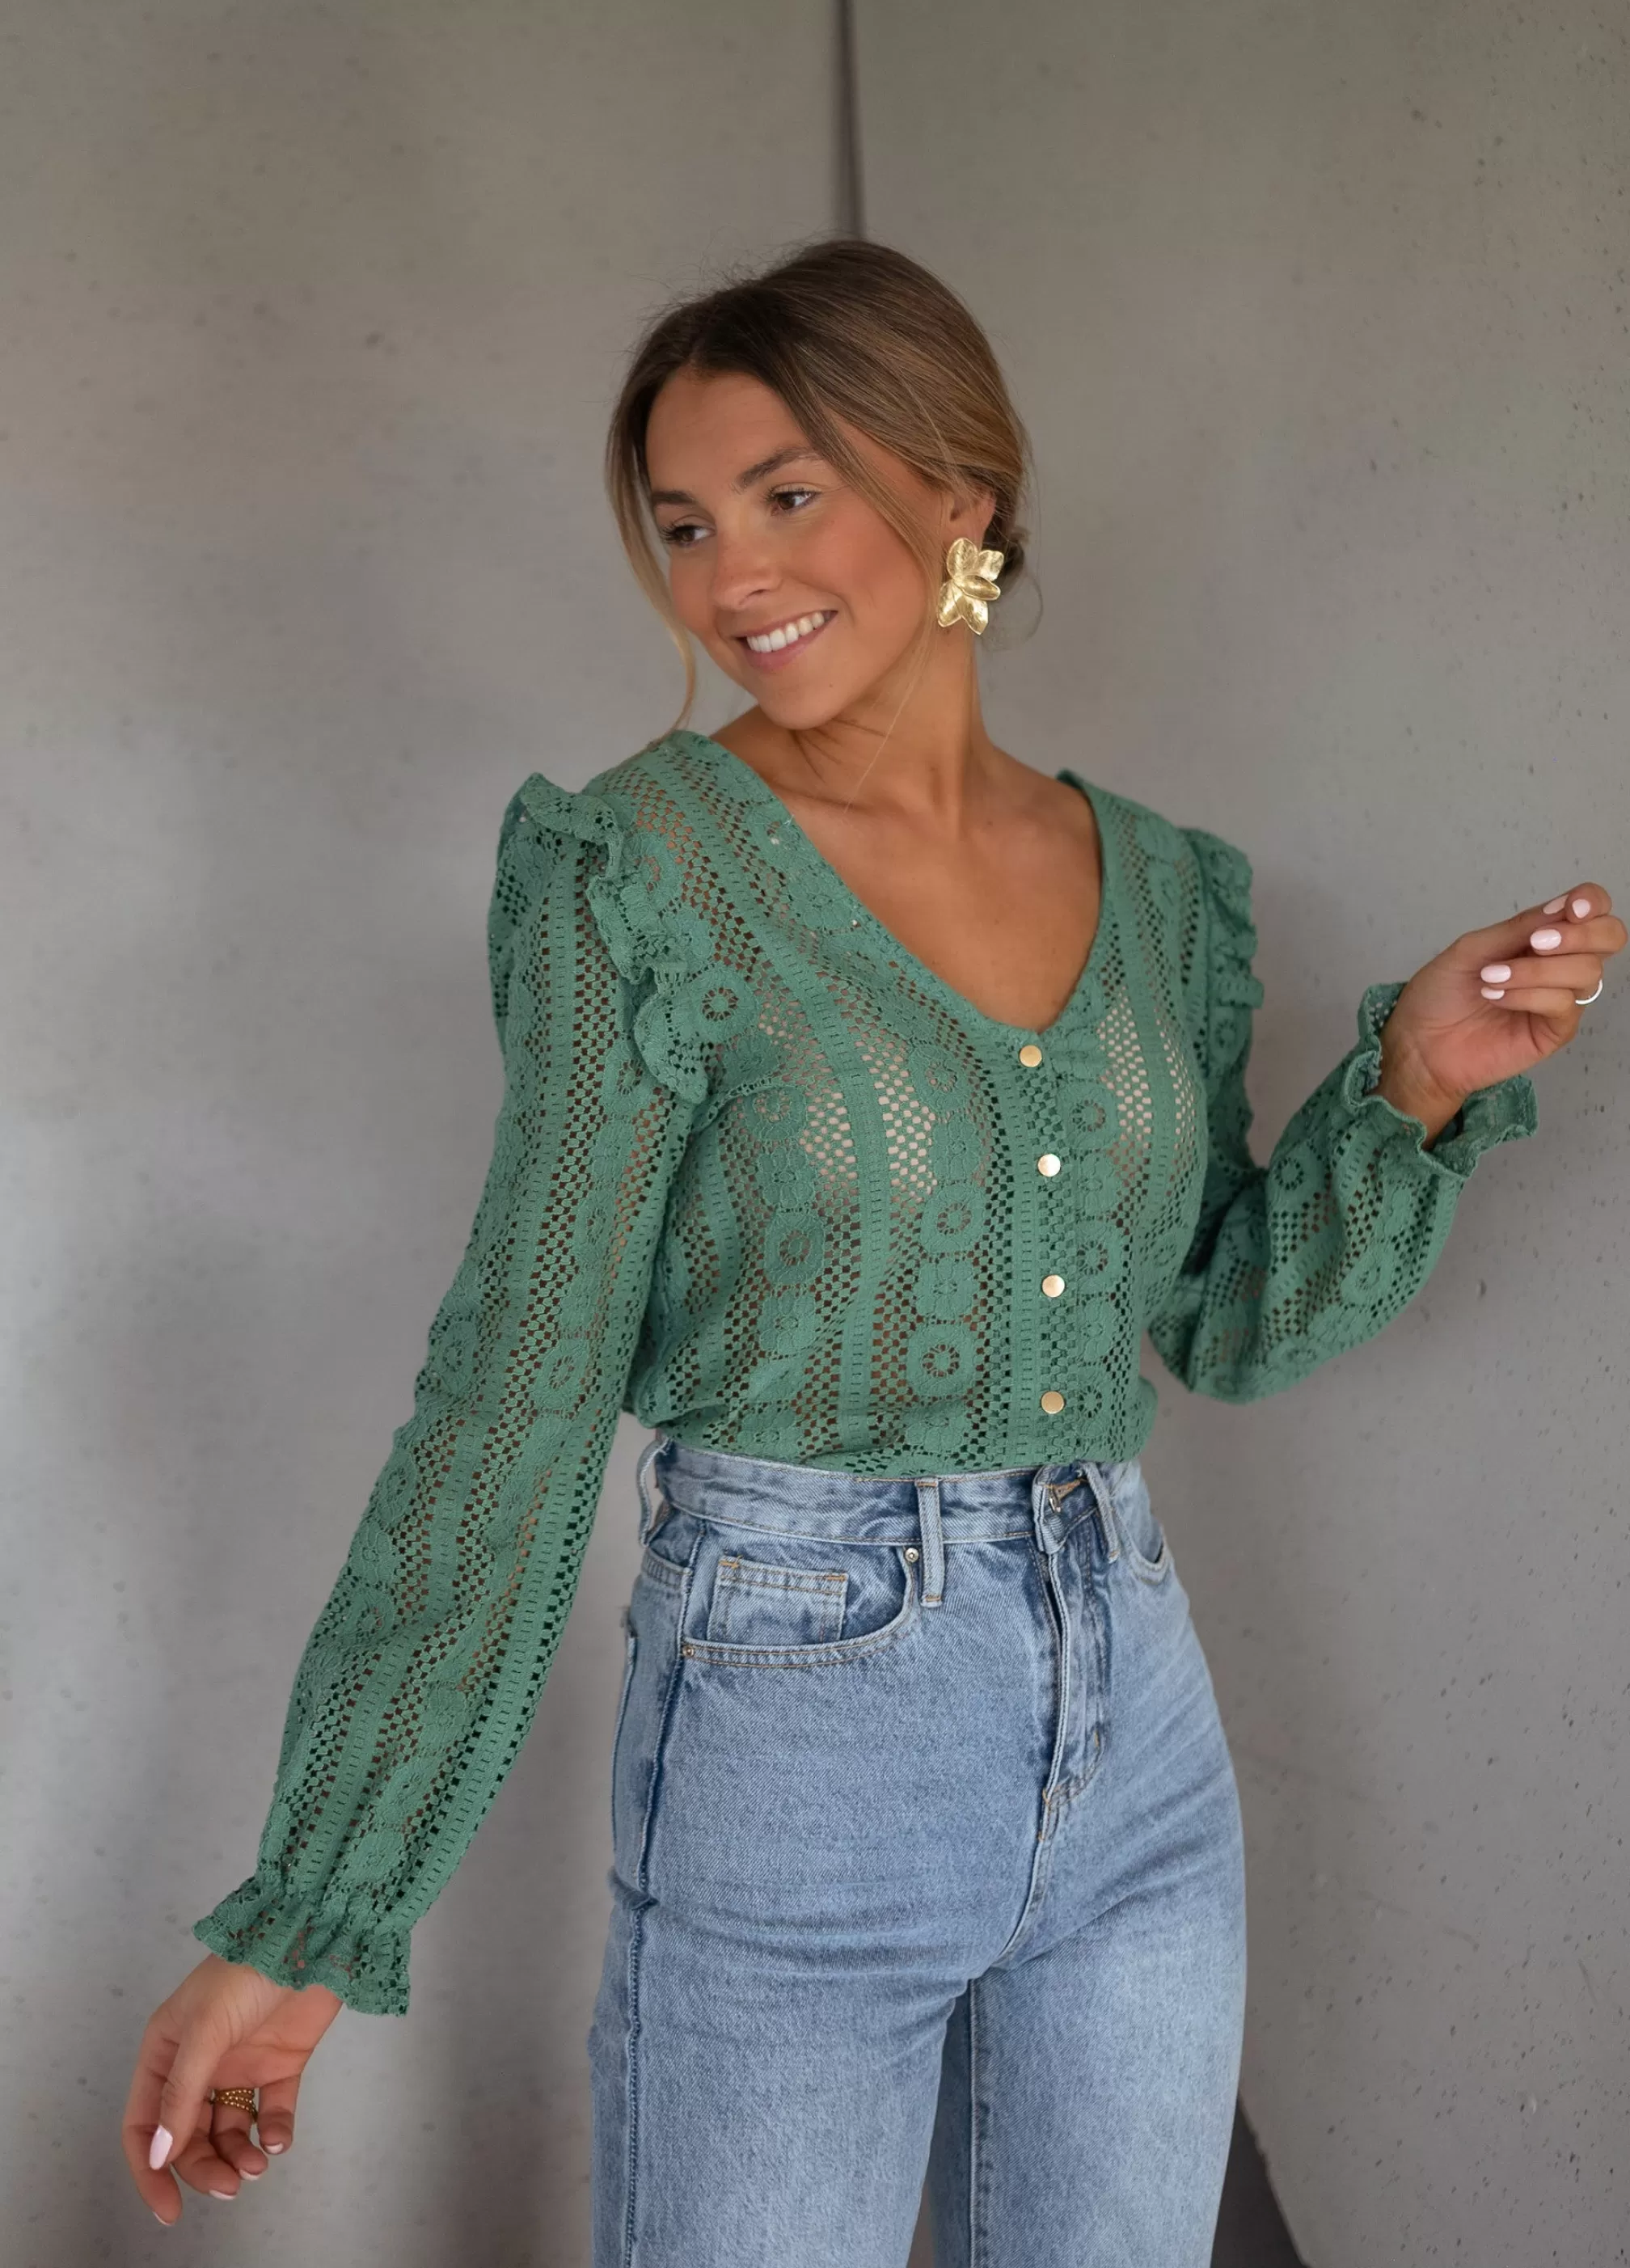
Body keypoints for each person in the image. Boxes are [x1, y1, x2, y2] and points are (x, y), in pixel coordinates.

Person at [122, 236, 1619, 2264]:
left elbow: (1230, 1326)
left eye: (786, 493)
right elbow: (518, 1386)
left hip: (1141, 1742)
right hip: (793, 1734)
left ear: (961, 494)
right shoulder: (636, 870)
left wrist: (1417, 1085)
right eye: (683, 523)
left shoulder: (1166, 886)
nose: (730, 576)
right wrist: (318, 1910)